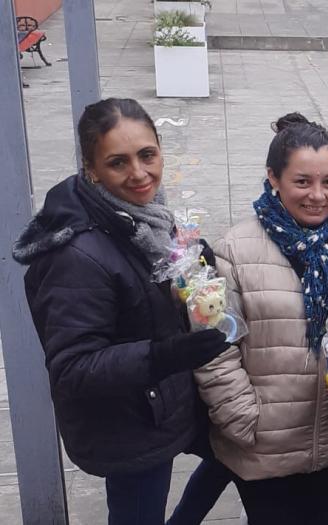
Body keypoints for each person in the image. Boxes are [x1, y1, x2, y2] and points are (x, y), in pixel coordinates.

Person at [13, 97, 231, 525]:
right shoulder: (77, 255)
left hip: (165, 399)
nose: (139, 174)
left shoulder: (145, 217)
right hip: (127, 423)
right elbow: (74, 368)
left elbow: (144, 296)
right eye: (118, 162)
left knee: (238, 452)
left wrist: (193, 272)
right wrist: (164, 355)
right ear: (91, 169)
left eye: (147, 155)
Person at [195, 112, 328, 524]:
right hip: (263, 451)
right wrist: (244, 420)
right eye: (302, 182)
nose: (317, 195)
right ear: (274, 178)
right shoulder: (233, 252)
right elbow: (214, 348)